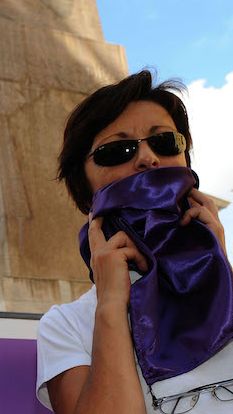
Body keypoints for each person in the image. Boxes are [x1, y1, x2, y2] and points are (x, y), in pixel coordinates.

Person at [36, 70, 233, 414]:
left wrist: (220, 266)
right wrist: (111, 305)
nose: (147, 158)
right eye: (118, 150)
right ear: (84, 187)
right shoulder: (67, 325)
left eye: (165, 142)